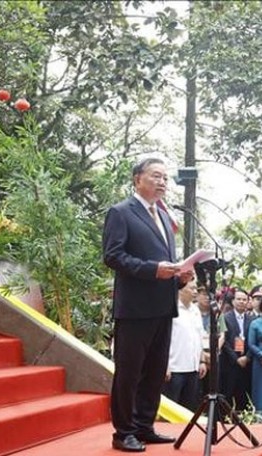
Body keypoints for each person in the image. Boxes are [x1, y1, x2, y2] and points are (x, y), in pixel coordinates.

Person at [102, 157, 193, 452]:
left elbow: (165, 262)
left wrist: (179, 276)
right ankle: (123, 432)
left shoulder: (165, 217)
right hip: (134, 309)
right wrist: (152, 269)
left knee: (155, 372)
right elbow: (113, 256)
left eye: (165, 178)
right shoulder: (121, 212)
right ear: (137, 178)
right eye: (156, 176)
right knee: (129, 372)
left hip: (163, 306)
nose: (163, 182)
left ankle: (144, 426)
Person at [163, 279, 207, 411]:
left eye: (196, 289)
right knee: (172, 409)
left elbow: (199, 337)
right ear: (180, 289)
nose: (194, 292)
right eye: (191, 288)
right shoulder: (170, 308)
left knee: (190, 409)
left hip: (193, 368)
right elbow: (163, 338)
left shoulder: (195, 310)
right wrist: (164, 364)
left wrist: (202, 360)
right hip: (174, 368)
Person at [221, 289, 253, 411]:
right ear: (233, 301)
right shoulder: (223, 318)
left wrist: (247, 357)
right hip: (229, 362)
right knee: (228, 392)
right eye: (239, 299)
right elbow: (224, 342)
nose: (241, 302)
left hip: (247, 362)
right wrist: (235, 359)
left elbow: (254, 341)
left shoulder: (253, 319)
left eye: (244, 299)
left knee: (244, 395)